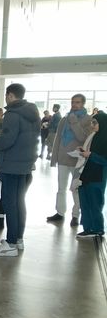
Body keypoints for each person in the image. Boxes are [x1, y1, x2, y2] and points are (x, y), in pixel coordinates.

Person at [0, 83, 40, 257]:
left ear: (10, 95)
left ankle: (10, 243)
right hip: (25, 164)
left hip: (11, 165)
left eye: (6, 95)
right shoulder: (32, 113)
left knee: (10, 203)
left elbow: (6, 141)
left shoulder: (12, 114)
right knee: (19, 202)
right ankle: (18, 239)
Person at [47, 94, 93, 226]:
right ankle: (60, 213)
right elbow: (58, 139)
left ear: (83, 104)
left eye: (77, 102)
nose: (74, 104)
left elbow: (83, 138)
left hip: (77, 160)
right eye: (73, 102)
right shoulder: (64, 119)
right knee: (61, 188)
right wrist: (54, 157)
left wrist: (74, 122)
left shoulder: (88, 119)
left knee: (75, 189)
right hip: (62, 158)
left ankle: (75, 215)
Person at [77, 113, 107, 238]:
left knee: (95, 202)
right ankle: (88, 228)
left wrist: (90, 155)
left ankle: (97, 229)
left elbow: (104, 160)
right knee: (85, 200)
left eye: (95, 123)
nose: (92, 125)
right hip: (88, 173)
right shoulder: (94, 137)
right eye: (92, 122)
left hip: (98, 176)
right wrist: (85, 153)